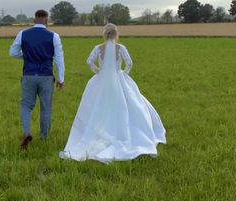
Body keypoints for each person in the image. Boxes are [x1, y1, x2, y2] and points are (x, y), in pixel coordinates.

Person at [59, 23, 166, 163]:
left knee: (98, 106)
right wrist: (123, 74)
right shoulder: (121, 48)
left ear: (104, 34)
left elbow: (89, 61)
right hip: (118, 79)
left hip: (102, 80)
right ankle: (124, 133)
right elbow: (129, 62)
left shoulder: (98, 48)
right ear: (116, 34)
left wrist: (98, 72)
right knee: (127, 106)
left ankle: (98, 133)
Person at [9, 9, 65, 150]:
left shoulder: (23, 34)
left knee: (26, 106)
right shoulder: (54, 36)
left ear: (34, 20)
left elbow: (13, 53)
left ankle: (27, 132)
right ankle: (44, 136)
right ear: (47, 21)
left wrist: (26, 56)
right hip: (46, 76)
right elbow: (59, 59)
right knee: (46, 108)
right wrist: (61, 78)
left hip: (29, 75)